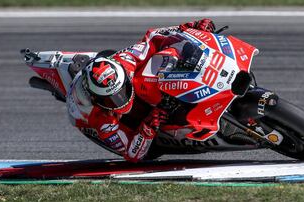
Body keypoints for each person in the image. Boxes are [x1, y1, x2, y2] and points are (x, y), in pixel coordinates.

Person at [66, 19, 216, 162]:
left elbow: (152, 36)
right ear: (96, 100)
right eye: (111, 99)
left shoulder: (127, 60)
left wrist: (190, 27)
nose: (120, 99)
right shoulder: (100, 118)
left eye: (122, 90)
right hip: (132, 124)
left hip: (135, 82)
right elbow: (132, 154)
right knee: (150, 153)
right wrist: (150, 124)